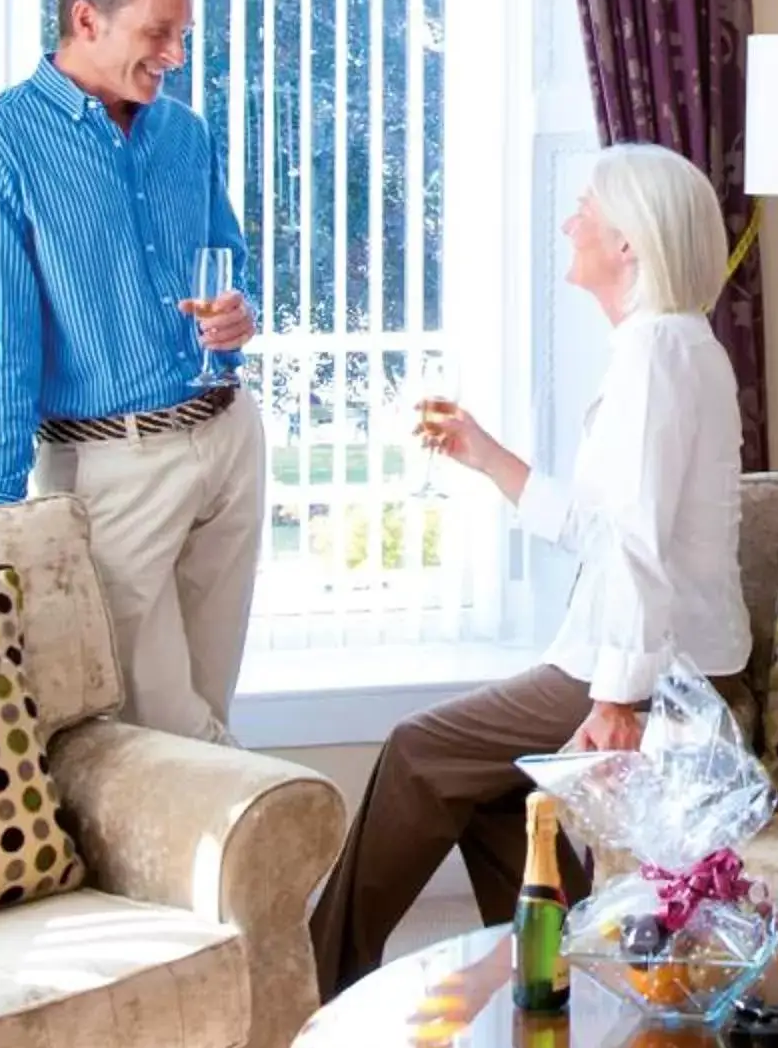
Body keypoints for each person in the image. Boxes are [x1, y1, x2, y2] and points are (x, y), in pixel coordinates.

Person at [311, 143, 751, 997]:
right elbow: (603, 525)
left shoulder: (656, 352)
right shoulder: (678, 345)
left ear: (630, 241)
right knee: (486, 789)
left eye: (585, 206)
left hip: (653, 671)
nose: (568, 222)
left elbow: (633, 545)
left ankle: (315, 980)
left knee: (417, 754)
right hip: (674, 657)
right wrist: (485, 455)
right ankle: (573, 980)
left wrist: (615, 701)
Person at [0, 0, 264, 744]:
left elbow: (232, 263)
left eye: (184, 34)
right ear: (87, 19)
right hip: (111, 468)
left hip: (227, 438)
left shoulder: (184, 134)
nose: (176, 54)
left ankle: (209, 869)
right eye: (158, 34)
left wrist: (239, 315)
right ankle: (263, 866)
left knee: (206, 703)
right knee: (147, 720)